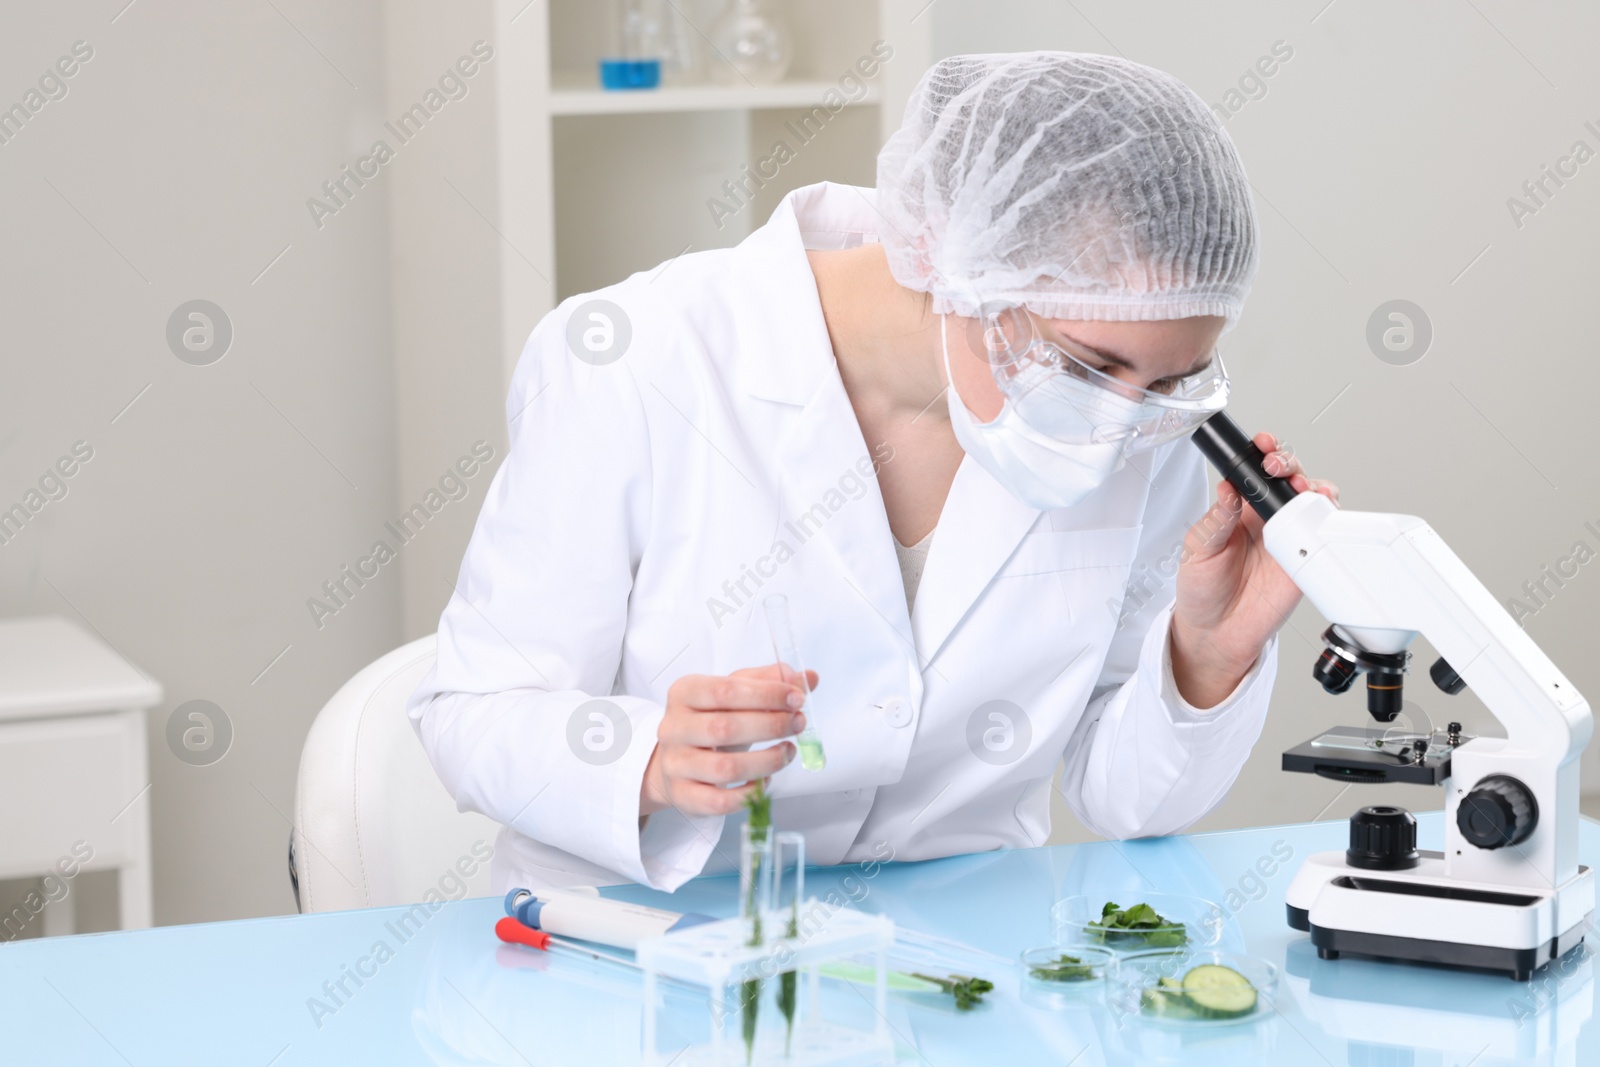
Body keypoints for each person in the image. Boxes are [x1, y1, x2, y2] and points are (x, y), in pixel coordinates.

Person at [407, 52, 1339, 894]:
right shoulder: (639, 362)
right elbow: (473, 713)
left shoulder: (1139, 428)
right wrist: (643, 761)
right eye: (1089, 366)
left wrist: (1207, 655)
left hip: (960, 964)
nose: (1121, 419)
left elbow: (1125, 799)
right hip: (649, 954)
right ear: (963, 266)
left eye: (1170, 380)